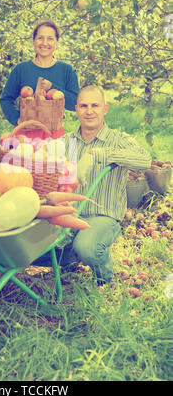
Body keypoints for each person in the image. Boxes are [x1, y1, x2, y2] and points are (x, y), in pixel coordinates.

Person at [32, 85, 152, 285]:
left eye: (95, 105)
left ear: (105, 109)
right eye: (84, 106)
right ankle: (70, 256)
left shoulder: (119, 140)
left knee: (88, 248)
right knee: (30, 251)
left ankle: (104, 277)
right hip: (68, 216)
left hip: (103, 217)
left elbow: (144, 160)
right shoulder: (66, 142)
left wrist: (98, 154)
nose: (89, 111)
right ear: (76, 109)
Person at [0, 19, 80, 139]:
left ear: (57, 42)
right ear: (33, 41)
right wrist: (18, 119)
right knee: (24, 158)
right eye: (40, 38)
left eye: (50, 38)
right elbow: (6, 99)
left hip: (54, 134)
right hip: (24, 135)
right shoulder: (21, 69)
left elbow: (75, 102)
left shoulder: (66, 70)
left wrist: (52, 88)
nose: (45, 43)